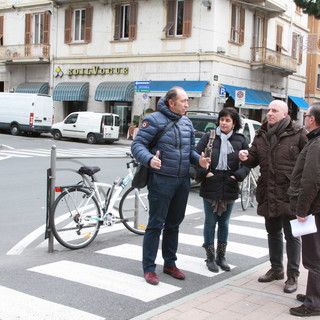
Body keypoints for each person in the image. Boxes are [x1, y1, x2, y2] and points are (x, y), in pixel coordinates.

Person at [131, 86, 210, 285]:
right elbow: (137, 145)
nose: (187, 104)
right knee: (156, 224)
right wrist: (149, 159)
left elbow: (190, 151)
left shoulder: (186, 122)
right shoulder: (154, 120)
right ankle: (149, 268)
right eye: (183, 101)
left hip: (182, 181)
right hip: (161, 180)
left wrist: (198, 162)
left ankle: (169, 263)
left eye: (187, 100)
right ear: (171, 103)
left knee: (173, 225)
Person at [239, 100, 307, 293]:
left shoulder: (298, 133)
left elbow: (310, 160)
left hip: (290, 193)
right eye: (268, 110)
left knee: (292, 235)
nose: (269, 113)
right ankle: (276, 269)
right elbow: (253, 159)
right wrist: (245, 157)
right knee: (273, 232)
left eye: (274, 110)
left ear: (285, 115)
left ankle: (292, 275)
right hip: (268, 192)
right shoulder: (261, 135)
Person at [195, 108, 250, 272]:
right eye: (222, 119)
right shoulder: (209, 137)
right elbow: (196, 158)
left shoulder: (240, 139)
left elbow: (248, 163)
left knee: (224, 223)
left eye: (228, 120)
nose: (224, 123)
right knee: (210, 222)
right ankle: (210, 257)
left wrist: (237, 176)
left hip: (230, 185)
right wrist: (206, 173)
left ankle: (221, 256)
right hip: (211, 183)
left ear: (234, 123)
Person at [287, 104, 320, 317]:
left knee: (313, 258)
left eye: (306, 115)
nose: (304, 118)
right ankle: (313, 294)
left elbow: (310, 181)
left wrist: (301, 210)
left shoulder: (317, 144)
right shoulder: (315, 141)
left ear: (312, 120)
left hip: (314, 209)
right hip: (316, 207)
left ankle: (313, 303)